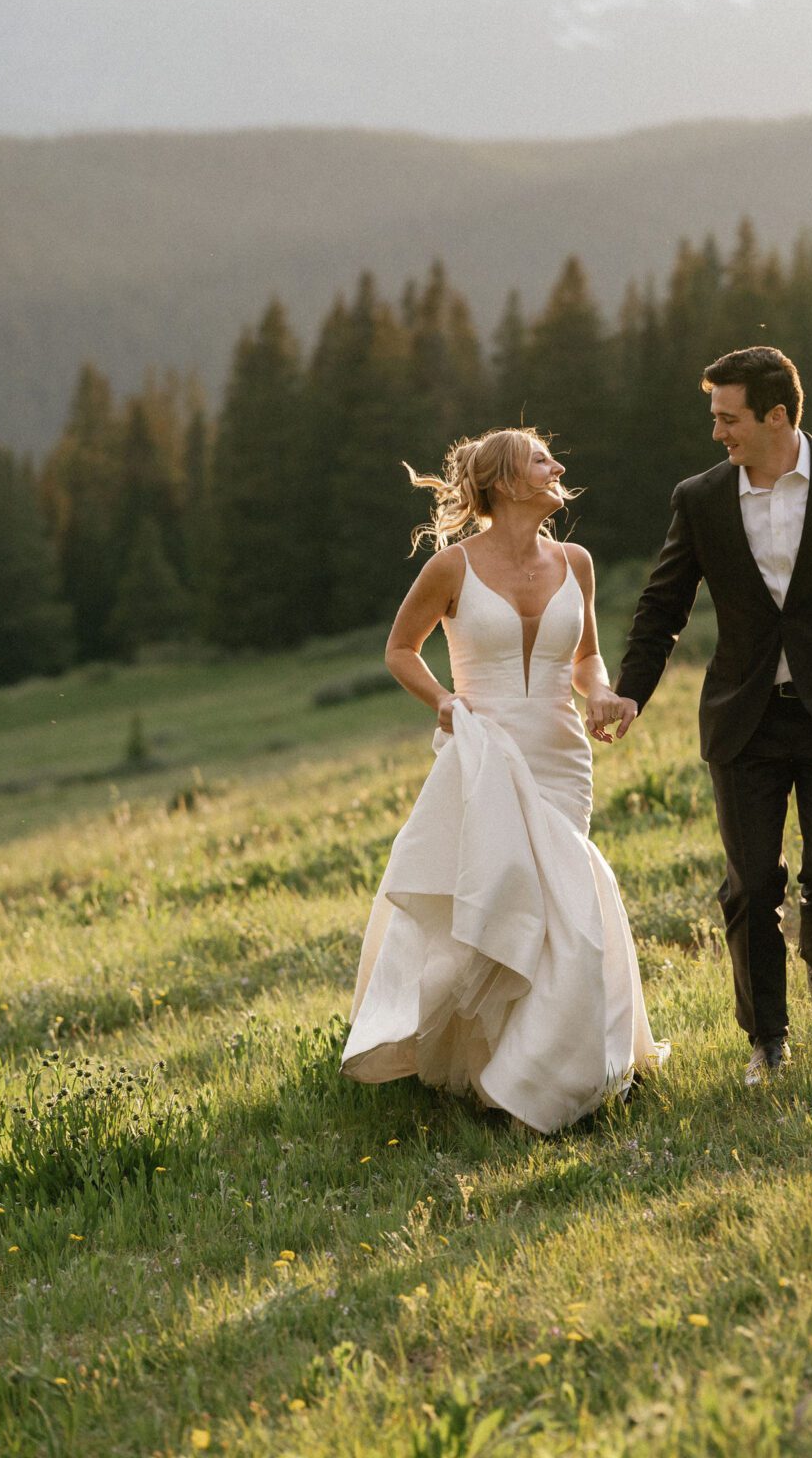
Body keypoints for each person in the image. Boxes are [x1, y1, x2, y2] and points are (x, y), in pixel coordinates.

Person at [340, 427, 665, 1132]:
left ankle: (551, 1075)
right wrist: (445, 703)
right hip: (484, 754)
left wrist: (602, 696)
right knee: (509, 900)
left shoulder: (576, 561)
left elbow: (586, 661)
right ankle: (517, 1078)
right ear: (507, 481)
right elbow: (400, 650)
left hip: (559, 752)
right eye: (543, 459)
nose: (559, 467)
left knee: (562, 906)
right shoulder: (450, 569)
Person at [613, 347, 812, 1086]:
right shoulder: (702, 498)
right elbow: (663, 606)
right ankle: (767, 1040)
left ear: (776, 416)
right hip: (743, 721)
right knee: (751, 885)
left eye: (728, 416)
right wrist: (630, 691)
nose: (717, 431)